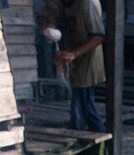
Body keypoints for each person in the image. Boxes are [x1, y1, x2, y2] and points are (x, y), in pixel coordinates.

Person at [43, 0, 107, 132]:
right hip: (68, 59)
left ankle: (88, 141)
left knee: (82, 107)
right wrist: (47, 26)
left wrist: (74, 54)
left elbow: (98, 37)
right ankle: (95, 144)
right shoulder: (58, 3)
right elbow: (43, 16)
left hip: (87, 61)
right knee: (83, 107)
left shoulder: (88, 4)